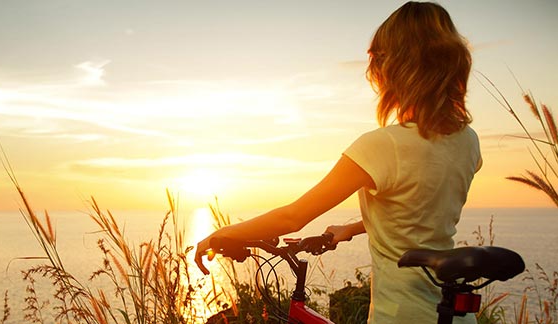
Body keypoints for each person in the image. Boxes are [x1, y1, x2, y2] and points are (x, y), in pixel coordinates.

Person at [194, 2, 482, 323]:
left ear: (396, 67)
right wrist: (353, 228)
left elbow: (293, 217)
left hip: (401, 314)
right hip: (451, 313)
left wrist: (222, 234)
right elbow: (420, 210)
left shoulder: (381, 145)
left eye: (378, 59)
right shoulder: (468, 140)